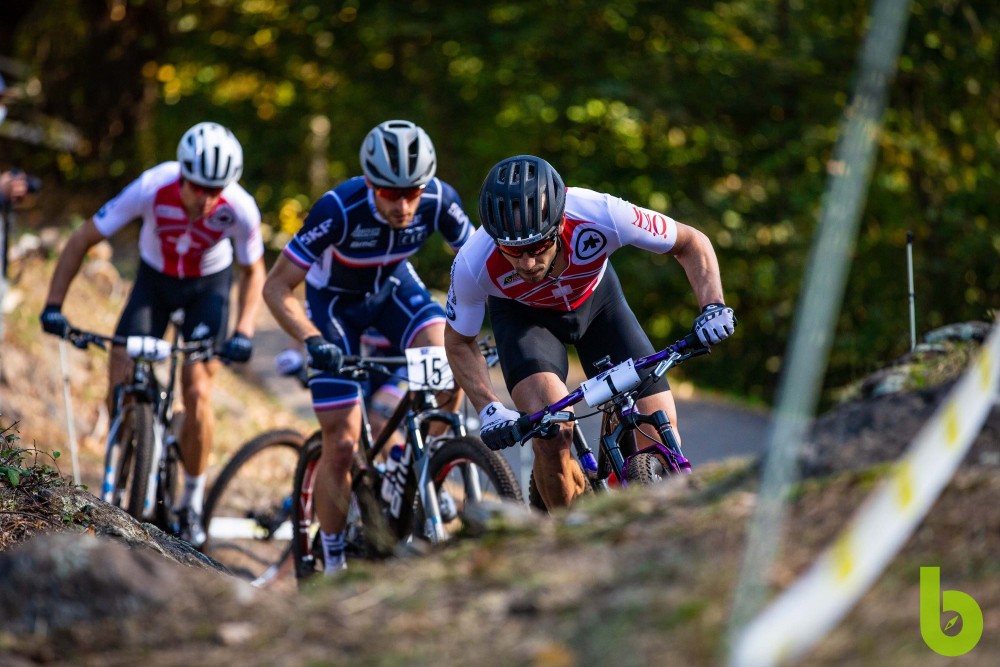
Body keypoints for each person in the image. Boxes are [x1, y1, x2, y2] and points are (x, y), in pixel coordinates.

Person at [444, 155, 736, 510]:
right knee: (553, 430)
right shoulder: (473, 261)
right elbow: (459, 340)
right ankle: (570, 538)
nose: (527, 263)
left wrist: (713, 306)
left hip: (598, 307)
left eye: (537, 247)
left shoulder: (600, 213)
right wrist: (488, 407)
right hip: (526, 321)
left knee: (659, 430)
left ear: (559, 222)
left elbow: (691, 243)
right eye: (512, 251)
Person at [40, 121, 266, 546]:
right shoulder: (151, 186)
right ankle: (126, 438)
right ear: (181, 174)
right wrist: (53, 305)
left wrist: (244, 330)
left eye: (215, 190)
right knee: (121, 366)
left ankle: (192, 501)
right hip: (154, 281)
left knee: (198, 388)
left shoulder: (240, 207)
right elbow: (82, 238)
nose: (205, 198)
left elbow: (254, 271)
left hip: (208, 287)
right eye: (197, 187)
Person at [263, 119, 472, 575]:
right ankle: (334, 557)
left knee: (450, 358)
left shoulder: (440, 199)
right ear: (370, 183)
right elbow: (276, 287)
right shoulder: (338, 208)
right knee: (341, 441)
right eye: (390, 193)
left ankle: (418, 473)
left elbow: (482, 265)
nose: (402, 205)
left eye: (412, 192)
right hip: (334, 306)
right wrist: (312, 340)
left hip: (394, 291)